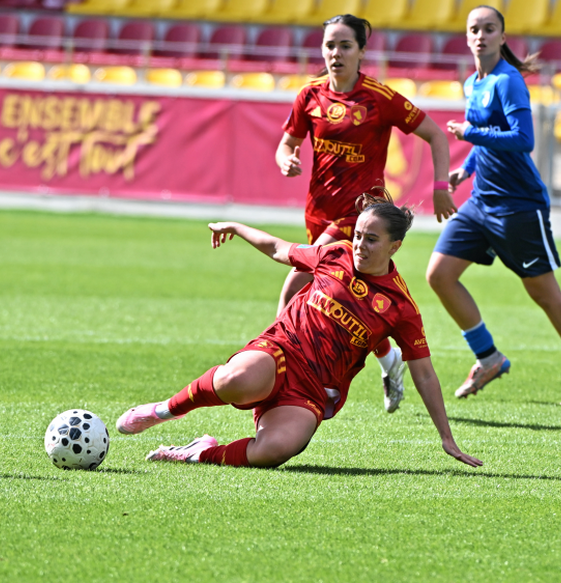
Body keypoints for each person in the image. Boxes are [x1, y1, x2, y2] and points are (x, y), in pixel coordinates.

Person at [115, 190, 482, 470]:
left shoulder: (401, 307)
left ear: (394, 246)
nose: (359, 245)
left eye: (371, 239)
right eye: (358, 235)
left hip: (313, 388)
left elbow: (425, 374)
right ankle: (161, 411)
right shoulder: (335, 254)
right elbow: (279, 249)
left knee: (274, 451)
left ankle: (197, 453)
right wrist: (236, 227)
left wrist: (446, 438)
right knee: (235, 380)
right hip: (281, 350)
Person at [426, 5, 561, 406]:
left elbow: (523, 139)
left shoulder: (508, 81)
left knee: (543, 292)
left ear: (502, 37)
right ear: (467, 36)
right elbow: (486, 138)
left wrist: (471, 133)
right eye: (475, 29)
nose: (481, 35)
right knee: (439, 274)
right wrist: (465, 169)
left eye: (489, 29)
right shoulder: (473, 82)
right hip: (481, 201)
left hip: (518, 205)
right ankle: (488, 358)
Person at [275, 14, 457, 415]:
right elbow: (286, 143)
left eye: (345, 45)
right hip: (318, 213)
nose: (335, 53)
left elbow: (435, 134)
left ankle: (282, 367)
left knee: (294, 286)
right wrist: (286, 157)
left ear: (361, 51)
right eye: (330, 45)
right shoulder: (309, 96)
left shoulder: (379, 98)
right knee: (354, 298)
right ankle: (389, 360)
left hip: (360, 216)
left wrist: (440, 186)